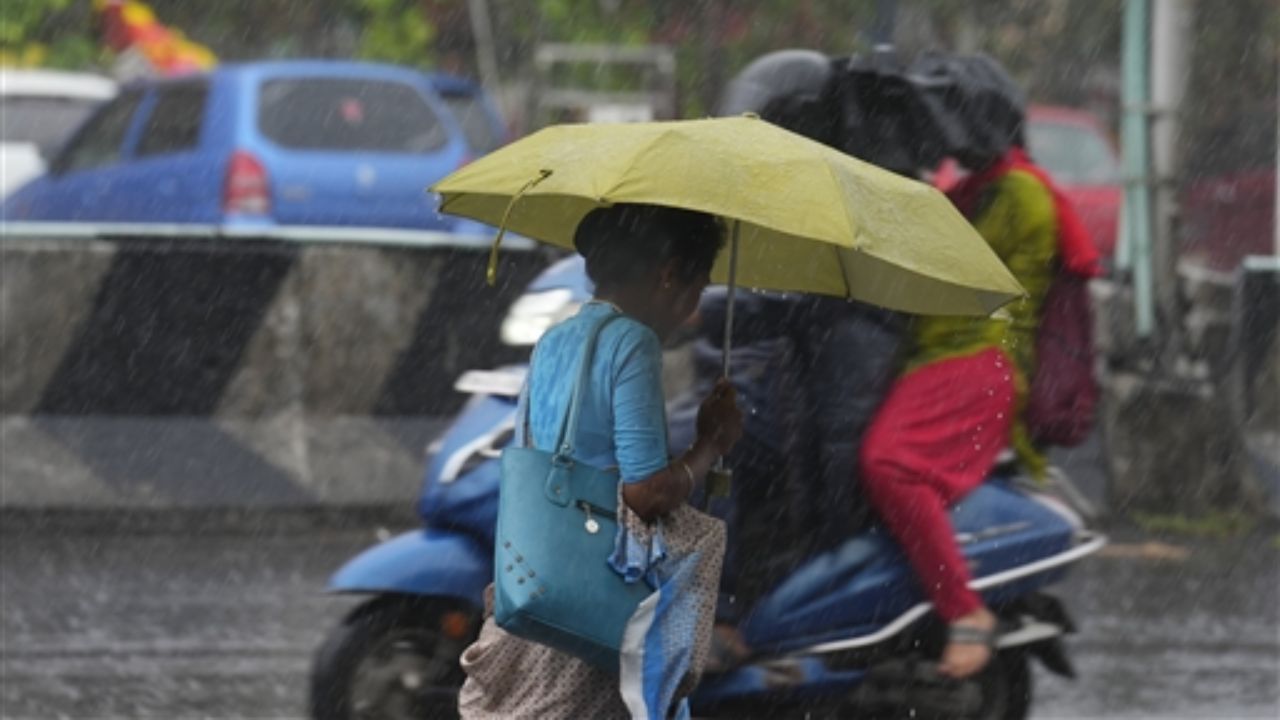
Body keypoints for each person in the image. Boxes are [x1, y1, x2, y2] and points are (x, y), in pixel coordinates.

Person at [457, 203, 744, 719]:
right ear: (668, 274)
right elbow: (645, 494)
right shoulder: (633, 343)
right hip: (590, 603)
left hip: (535, 590)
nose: (693, 307)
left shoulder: (555, 339)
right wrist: (710, 445)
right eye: (697, 287)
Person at [858, 55, 1073, 680]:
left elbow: (946, 259)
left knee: (888, 464)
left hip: (979, 359)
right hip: (935, 355)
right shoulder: (975, 190)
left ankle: (965, 610)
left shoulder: (1021, 193)